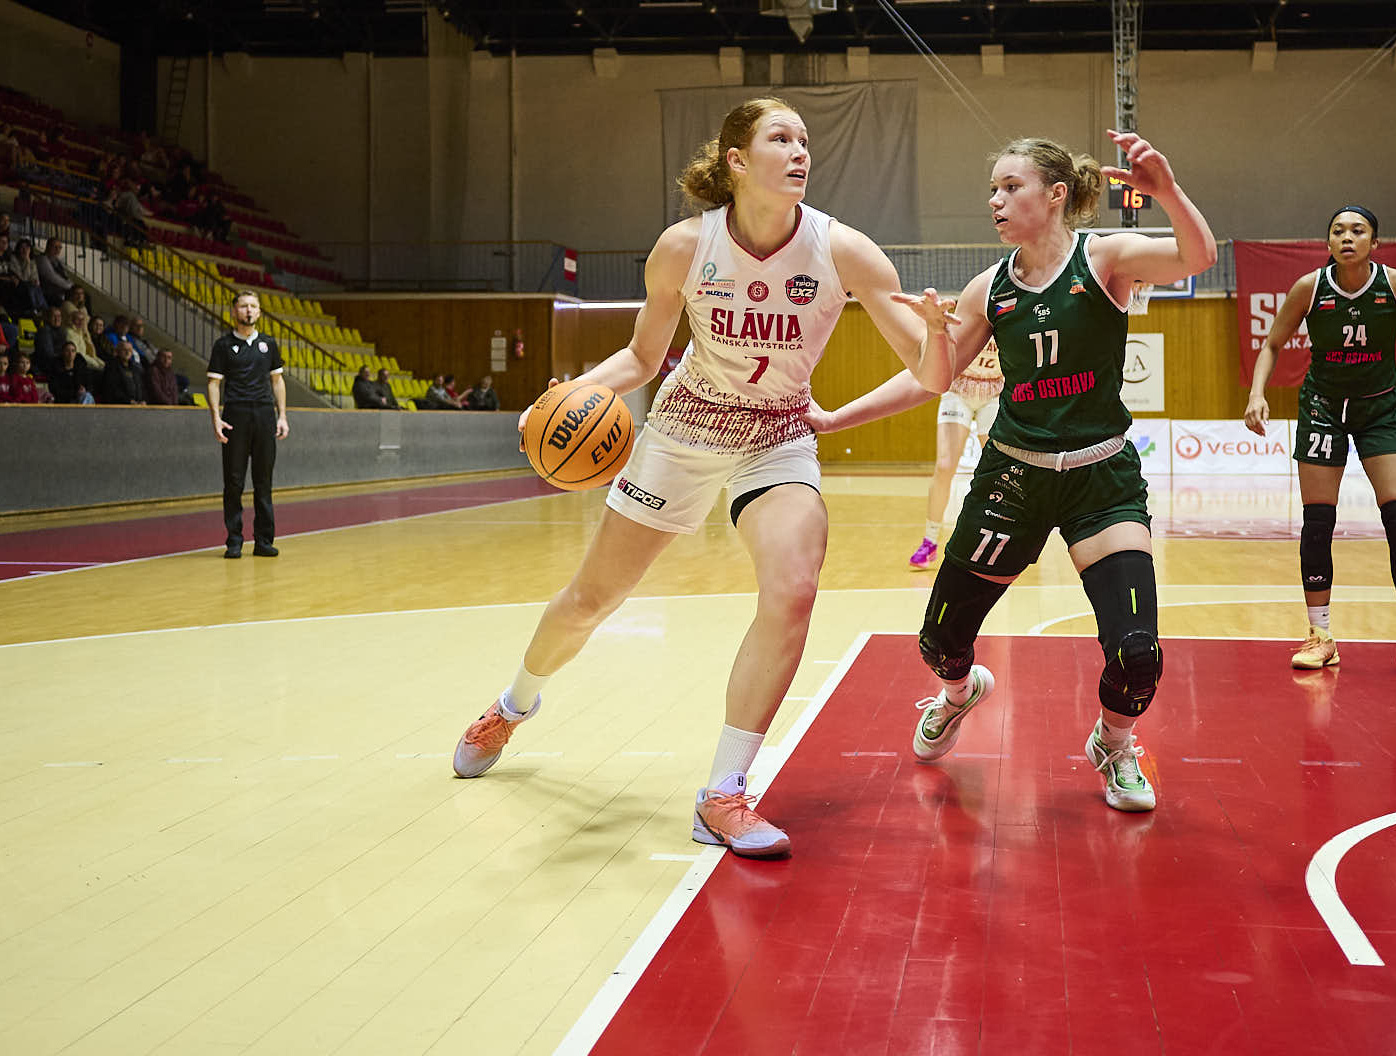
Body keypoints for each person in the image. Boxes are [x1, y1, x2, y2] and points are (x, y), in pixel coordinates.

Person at [450, 97, 957, 859]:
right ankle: (512, 705)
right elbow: (642, 358)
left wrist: (939, 338)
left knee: (793, 590)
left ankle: (723, 794)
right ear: (737, 161)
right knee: (590, 601)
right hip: (685, 430)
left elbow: (929, 374)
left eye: (805, 140)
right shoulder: (686, 247)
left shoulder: (846, 250)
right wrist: (563, 397)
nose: (800, 151)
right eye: (780, 138)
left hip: (777, 434)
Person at [808, 131, 1215, 814]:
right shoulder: (987, 289)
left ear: (1056, 194)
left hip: (1100, 478)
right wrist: (834, 417)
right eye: (992, 189)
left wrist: (1167, 191)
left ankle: (1115, 743)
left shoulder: (1106, 259)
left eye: (1010, 186)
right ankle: (958, 693)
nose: (995, 200)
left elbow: (1197, 256)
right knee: (940, 641)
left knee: (1137, 652)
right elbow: (931, 379)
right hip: (1014, 478)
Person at [1243, 205, 1396, 679]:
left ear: (1374, 243)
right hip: (1322, 409)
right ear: (1328, 243)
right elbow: (1272, 344)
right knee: (1318, 521)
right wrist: (1257, 393)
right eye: (1338, 231)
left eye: (1358, 231)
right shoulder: (1309, 288)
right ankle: (1320, 636)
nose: (1347, 237)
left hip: (1380, 410)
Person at [907, 335, 1002, 569]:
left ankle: (998, 536)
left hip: (995, 390)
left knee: (997, 470)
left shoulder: (1007, 315)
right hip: (958, 388)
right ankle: (930, 540)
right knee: (945, 466)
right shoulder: (966, 316)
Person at [206, 290, 288, 558]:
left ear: (259, 312)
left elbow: (277, 381)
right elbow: (213, 383)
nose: (249, 310)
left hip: (264, 414)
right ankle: (234, 540)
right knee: (234, 481)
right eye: (243, 306)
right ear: (234, 311)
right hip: (236, 415)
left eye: (253, 306)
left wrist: (282, 415)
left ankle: (264, 540)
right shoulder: (223, 345)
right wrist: (216, 417)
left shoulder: (268, 344)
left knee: (263, 481)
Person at [99, 336, 147, 404]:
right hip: (119, 405)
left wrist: (142, 400)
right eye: (124, 350)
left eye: (129, 350)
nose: (127, 352)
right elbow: (112, 389)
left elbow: (141, 387)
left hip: (137, 405)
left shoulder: (136, 368)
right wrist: (128, 401)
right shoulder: (111, 367)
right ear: (117, 351)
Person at [48, 340, 95, 404]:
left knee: (87, 396)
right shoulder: (56, 369)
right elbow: (55, 390)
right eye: (67, 351)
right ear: (63, 353)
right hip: (65, 400)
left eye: (73, 351)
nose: (70, 354)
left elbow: (89, 384)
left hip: (82, 397)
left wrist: (85, 389)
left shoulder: (81, 367)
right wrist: (75, 393)